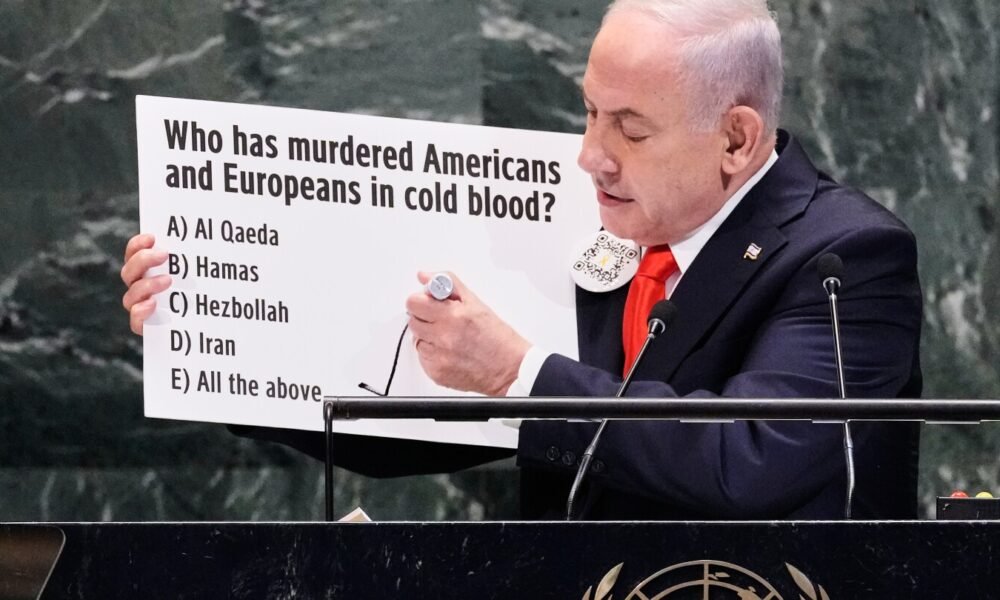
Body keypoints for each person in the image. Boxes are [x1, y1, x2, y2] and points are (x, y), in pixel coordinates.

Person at [122, 0, 922, 520]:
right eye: (589, 112)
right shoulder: (592, 225)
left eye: (630, 129)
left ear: (736, 139)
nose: (590, 156)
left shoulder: (846, 257)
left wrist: (518, 371)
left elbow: (751, 460)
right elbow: (416, 428)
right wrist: (223, 348)